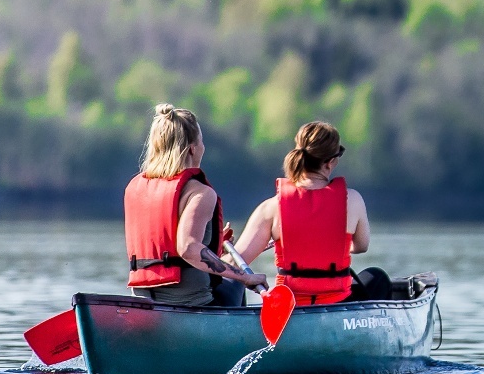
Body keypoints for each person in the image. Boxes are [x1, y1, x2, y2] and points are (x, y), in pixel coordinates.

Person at [233, 121, 391, 306]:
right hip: (337, 302)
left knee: (233, 282)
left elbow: (236, 262)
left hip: (291, 307)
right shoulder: (353, 200)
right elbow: (361, 246)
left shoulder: (270, 208)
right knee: (376, 277)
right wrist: (332, 245)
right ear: (331, 161)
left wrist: (217, 250)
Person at [125, 104, 267, 307]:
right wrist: (245, 278)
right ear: (193, 148)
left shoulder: (135, 188)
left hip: (144, 301)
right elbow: (188, 248)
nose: (203, 147)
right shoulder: (200, 193)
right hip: (192, 303)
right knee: (236, 281)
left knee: (228, 272)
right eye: (201, 141)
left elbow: (167, 240)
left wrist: (214, 245)